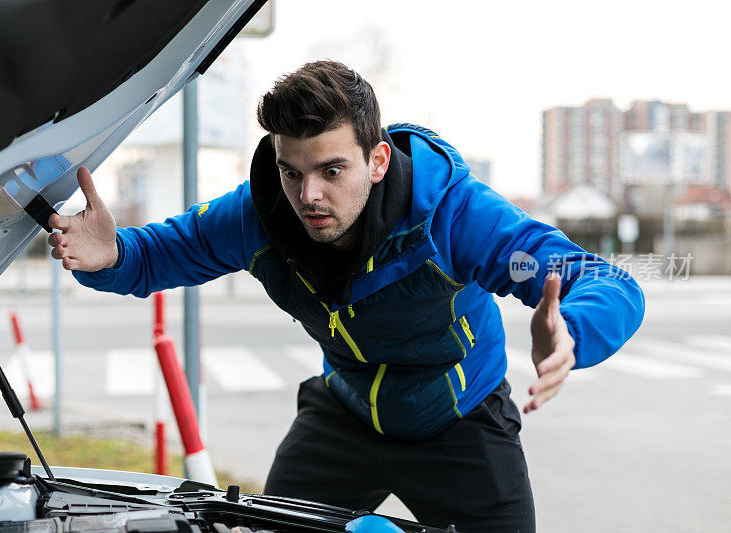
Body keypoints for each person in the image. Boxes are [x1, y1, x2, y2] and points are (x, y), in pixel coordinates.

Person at [48, 60, 645, 532]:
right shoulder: (258, 216)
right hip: (345, 415)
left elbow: (603, 279)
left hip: (460, 424)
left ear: (377, 160)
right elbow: (154, 255)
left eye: (332, 170)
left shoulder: (452, 215)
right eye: (292, 171)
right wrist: (112, 256)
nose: (309, 195)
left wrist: (574, 327)